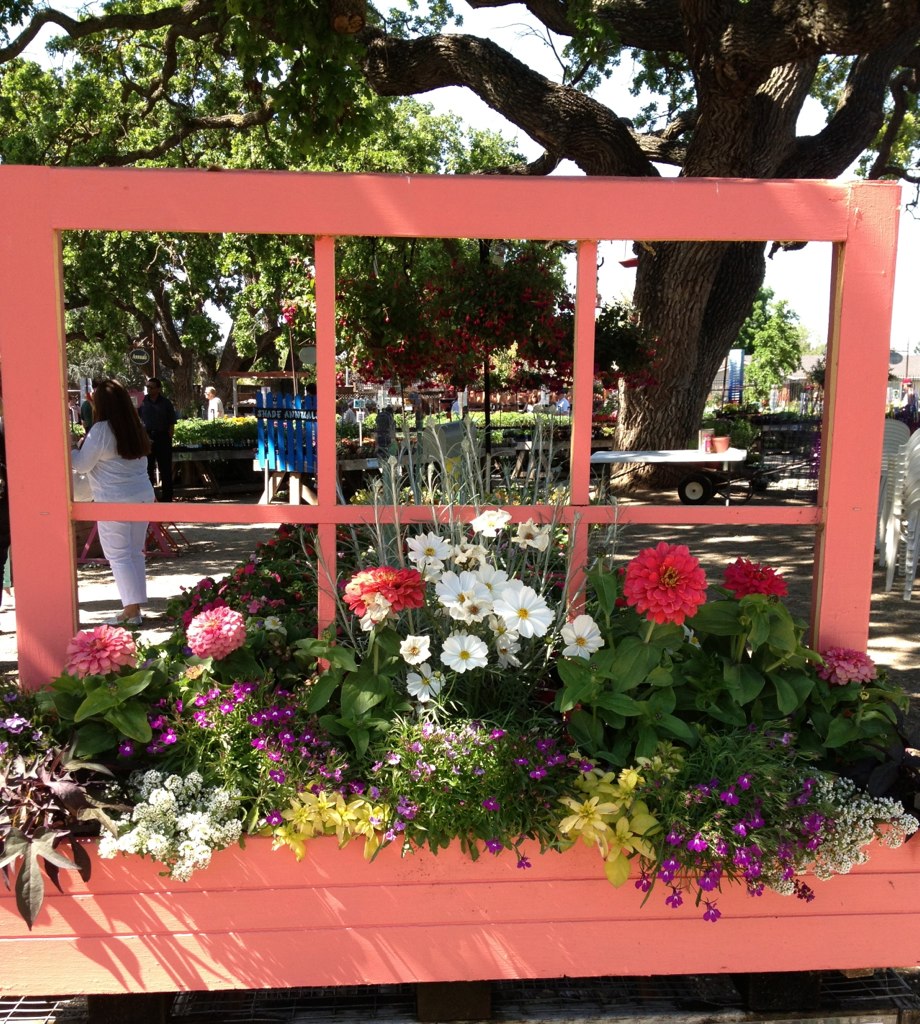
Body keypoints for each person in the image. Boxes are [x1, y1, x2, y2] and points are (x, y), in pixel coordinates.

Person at [71, 379, 155, 626]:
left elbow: (82, 464)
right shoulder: (135, 426)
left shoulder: (100, 430)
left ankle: (130, 611)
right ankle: (135, 609)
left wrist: (73, 448)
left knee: (118, 555)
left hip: (113, 500)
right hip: (142, 495)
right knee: (134, 552)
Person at [138, 377, 177, 502]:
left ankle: (167, 498)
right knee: (147, 469)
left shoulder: (166, 403)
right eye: (147, 387)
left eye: (151, 387)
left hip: (163, 437)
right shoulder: (142, 402)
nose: (149, 389)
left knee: (165, 469)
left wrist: (169, 436)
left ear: (158, 389)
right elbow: (137, 419)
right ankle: (150, 498)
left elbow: (172, 423)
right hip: (147, 438)